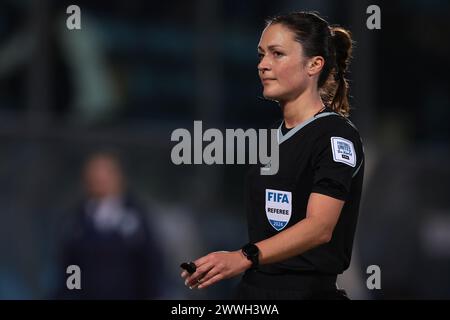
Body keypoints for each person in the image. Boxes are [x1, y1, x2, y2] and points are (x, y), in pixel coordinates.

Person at [181, 11, 365, 300]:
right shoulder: (268, 139)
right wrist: (226, 261)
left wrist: (243, 256)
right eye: (261, 54)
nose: (263, 65)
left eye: (277, 54)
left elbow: (320, 227)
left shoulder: (335, 136)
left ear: (314, 64)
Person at [55, 151, 165, 299]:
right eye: (94, 174)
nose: (99, 179)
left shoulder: (137, 217)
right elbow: (70, 267)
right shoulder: (76, 220)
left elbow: (151, 267)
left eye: (105, 172)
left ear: (119, 177)